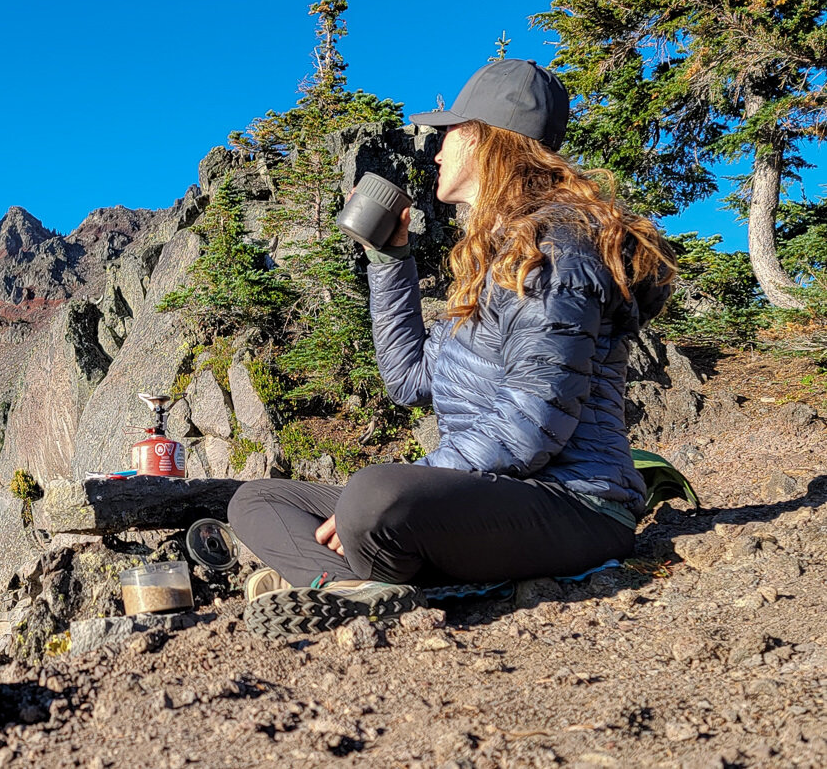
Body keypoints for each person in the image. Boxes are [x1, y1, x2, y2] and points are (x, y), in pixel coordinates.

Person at [227, 59, 677, 638]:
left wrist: (418, 477)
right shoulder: (493, 253)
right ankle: (352, 590)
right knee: (258, 500)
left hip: (576, 506)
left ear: (486, 140)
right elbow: (410, 380)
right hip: (496, 498)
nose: (436, 150)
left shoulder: (556, 248)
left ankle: (367, 576)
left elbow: (533, 426)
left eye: (449, 133)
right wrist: (390, 261)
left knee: (375, 494)